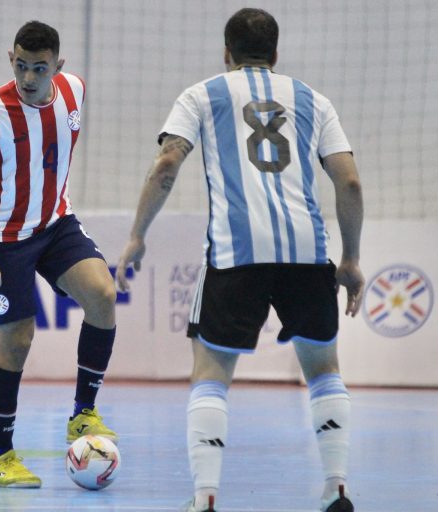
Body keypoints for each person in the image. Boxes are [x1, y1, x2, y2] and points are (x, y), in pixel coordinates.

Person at [116, 8, 363, 512]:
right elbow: (350, 182)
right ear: (275, 55)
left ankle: (206, 497)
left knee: (210, 373)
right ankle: (337, 486)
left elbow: (167, 165)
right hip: (307, 254)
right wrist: (351, 258)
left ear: (226, 54)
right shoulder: (314, 100)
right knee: (323, 370)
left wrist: (137, 235)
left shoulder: (202, 94)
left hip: (235, 256)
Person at [0, 20, 118, 489]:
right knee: (18, 342)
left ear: (57, 67)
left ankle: (83, 414)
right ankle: (0, 458)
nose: (27, 78)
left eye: (38, 69)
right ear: (11, 59)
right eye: (20, 66)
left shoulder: (75, 93)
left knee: (103, 295)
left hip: (55, 224)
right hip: (4, 238)